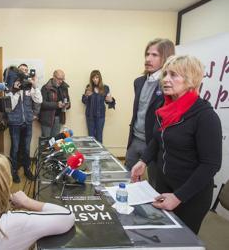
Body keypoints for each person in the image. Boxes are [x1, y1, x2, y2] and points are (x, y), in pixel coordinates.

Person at [131, 55, 222, 234]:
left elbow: (211, 165)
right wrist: (143, 161)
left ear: (190, 80)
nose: (165, 79)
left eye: (174, 75)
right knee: (161, 236)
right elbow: (158, 139)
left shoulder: (205, 116)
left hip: (190, 196)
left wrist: (179, 197)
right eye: (165, 74)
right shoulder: (165, 107)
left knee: (180, 241)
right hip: (164, 185)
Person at [125, 38, 175, 187]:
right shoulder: (139, 82)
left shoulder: (168, 85)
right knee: (128, 180)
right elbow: (140, 112)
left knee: (155, 186)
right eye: (147, 54)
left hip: (155, 144)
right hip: (134, 140)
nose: (148, 59)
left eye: (154, 55)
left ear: (165, 57)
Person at [5, 66, 42, 183]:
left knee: (26, 148)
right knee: (15, 148)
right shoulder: (8, 86)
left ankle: (27, 169)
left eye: (26, 70)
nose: (24, 72)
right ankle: (14, 171)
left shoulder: (28, 86)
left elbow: (38, 100)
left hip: (28, 122)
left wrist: (35, 86)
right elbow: (10, 105)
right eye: (21, 70)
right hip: (14, 122)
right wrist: (15, 91)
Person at [82, 70, 115, 143]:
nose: (95, 79)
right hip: (90, 116)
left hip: (100, 116)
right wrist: (86, 96)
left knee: (99, 137)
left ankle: (100, 154)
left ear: (100, 78)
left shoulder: (105, 88)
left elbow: (109, 101)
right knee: (91, 138)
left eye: (97, 77)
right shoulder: (88, 87)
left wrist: (111, 100)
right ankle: (92, 154)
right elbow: (84, 101)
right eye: (93, 78)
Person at [40, 69, 71, 137]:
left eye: (62, 79)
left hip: (58, 119)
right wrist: (56, 105)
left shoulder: (64, 88)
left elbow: (68, 103)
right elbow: (42, 104)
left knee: (56, 141)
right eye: (59, 79)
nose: (61, 81)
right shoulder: (45, 88)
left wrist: (66, 105)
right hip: (47, 119)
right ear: (54, 77)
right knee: (46, 142)